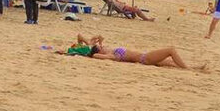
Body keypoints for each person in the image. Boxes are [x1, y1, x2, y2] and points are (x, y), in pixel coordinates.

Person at [55, 34, 207, 71]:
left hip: (143, 57)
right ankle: (188, 69)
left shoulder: (104, 48)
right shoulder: (105, 54)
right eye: (99, 46)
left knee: (171, 64)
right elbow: (99, 56)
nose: (101, 45)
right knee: (171, 50)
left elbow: (84, 36)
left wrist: (90, 42)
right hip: (144, 58)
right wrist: (93, 52)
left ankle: (194, 67)